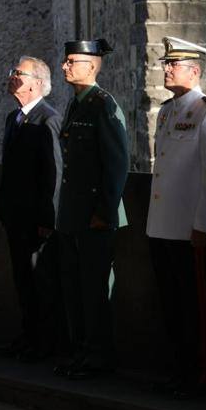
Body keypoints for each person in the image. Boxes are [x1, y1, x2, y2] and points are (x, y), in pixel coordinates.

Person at [146, 37, 206, 398]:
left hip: (190, 227)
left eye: (174, 64)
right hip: (163, 224)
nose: (166, 68)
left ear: (194, 71)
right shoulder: (167, 111)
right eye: (166, 63)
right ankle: (179, 369)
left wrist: (204, 224)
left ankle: (201, 374)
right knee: (171, 304)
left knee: (195, 305)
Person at [54, 38, 130, 381]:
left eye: (72, 61)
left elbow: (116, 165)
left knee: (96, 289)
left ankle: (99, 356)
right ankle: (82, 350)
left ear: (92, 66)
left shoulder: (103, 105)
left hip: (96, 216)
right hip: (73, 214)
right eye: (66, 61)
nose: (65, 67)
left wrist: (105, 211)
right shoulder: (76, 105)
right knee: (75, 287)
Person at [0, 55, 64, 363]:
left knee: (41, 283)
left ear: (36, 84)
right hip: (15, 216)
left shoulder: (48, 119)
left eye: (18, 73)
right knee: (22, 280)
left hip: (37, 220)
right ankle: (28, 337)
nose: (11, 77)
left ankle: (46, 344)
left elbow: (54, 174)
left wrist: (47, 219)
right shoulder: (14, 119)